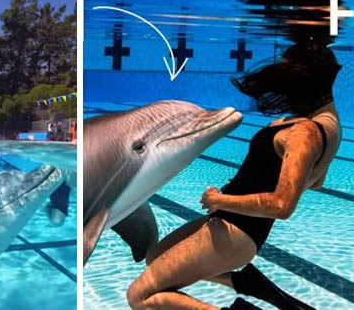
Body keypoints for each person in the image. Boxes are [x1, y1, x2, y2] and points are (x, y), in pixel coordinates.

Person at [126, 41, 342, 310]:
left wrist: (221, 200)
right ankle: (248, 283)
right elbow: (316, 181)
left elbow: (282, 205)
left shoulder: (305, 133)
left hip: (236, 233)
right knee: (156, 256)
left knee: (139, 297)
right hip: (232, 224)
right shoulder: (330, 126)